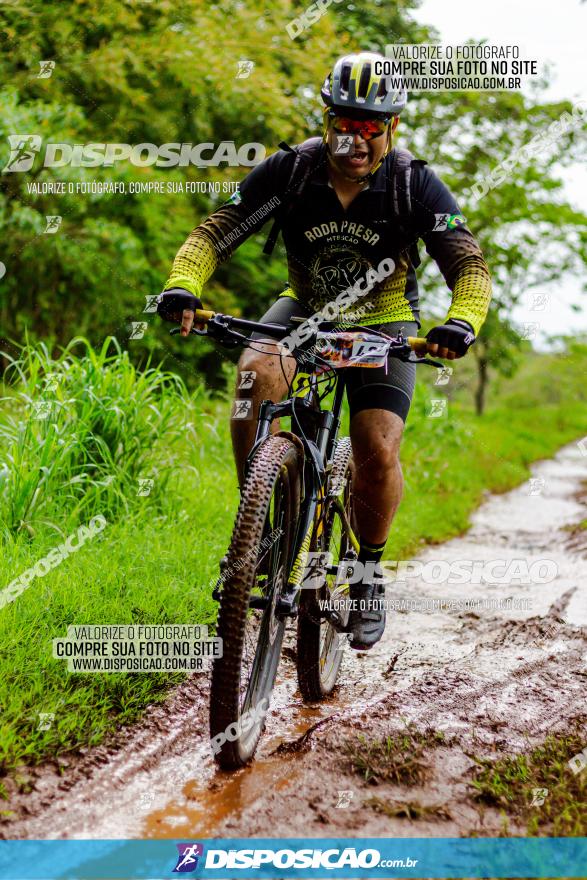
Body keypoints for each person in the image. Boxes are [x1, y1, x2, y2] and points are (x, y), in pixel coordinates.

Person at [157, 51, 492, 650]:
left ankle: (366, 574)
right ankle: (258, 524)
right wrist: (185, 283)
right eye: (343, 122)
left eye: (369, 126)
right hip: (306, 308)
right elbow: (216, 231)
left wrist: (459, 322)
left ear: (391, 128)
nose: (354, 138)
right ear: (327, 118)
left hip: (385, 320)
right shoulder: (291, 172)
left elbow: (468, 266)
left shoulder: (414, 184)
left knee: (376, 446)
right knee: (252, 377)